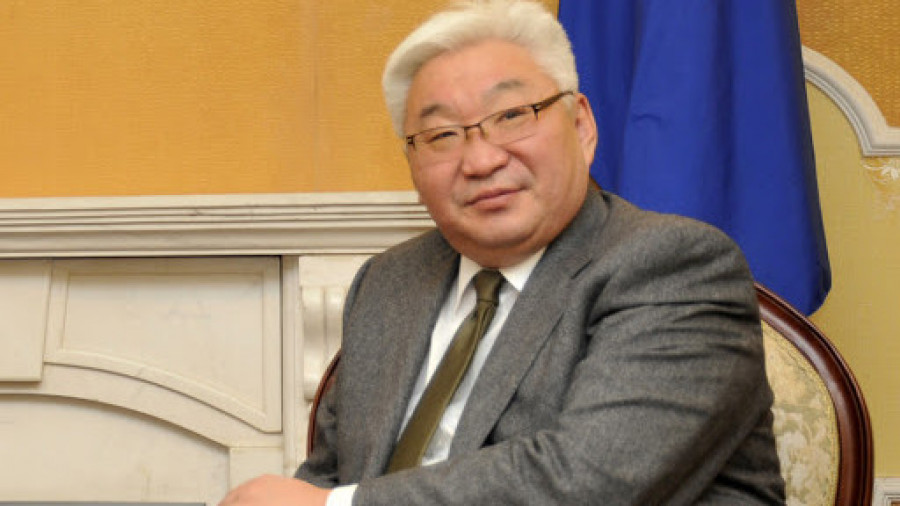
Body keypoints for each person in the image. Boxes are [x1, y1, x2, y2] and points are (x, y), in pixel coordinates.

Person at [220, 0, 786, 504]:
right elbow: (328, 478)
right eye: (442, 135)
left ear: (581, 126)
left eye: (512, 116)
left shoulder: (673, 265)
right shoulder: (387, 283)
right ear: (412, 166)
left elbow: (588, 482)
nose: (481, 160)